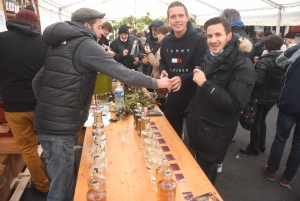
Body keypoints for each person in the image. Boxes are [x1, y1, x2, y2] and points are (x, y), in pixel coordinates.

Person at [32, 8, 171, 201]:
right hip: (59, 129)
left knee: (60, 180)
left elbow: (37, 82)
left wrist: (52, 108)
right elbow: (122, 72)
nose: (101, 32)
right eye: (99, 27)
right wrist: (157, 83)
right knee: (61, 190)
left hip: (48, 123)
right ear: (87, 26)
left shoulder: (60, 44)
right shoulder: (85, 44)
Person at [185, 17, 256, 185]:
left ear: (229, 36)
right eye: (209, 36)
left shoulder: (243, 66)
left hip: (214, 136)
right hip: (199, 129)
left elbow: (235, 105)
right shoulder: (210, 57)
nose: (213, 40)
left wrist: (205, 83)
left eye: (218, 35)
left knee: (205, 181)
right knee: (195, 174)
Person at [0, 8, 50, 196]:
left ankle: (43, 186)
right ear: (36, 23)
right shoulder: (44, 42)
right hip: (41, 105)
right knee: (50, 144)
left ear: (15, 20)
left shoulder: (1, 40)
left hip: (14, 106)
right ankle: (59, 181)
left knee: (29, 150)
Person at [159, 1, 208, 138]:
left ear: (187, 17)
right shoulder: (166, 41)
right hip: (173, 98)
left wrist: (182, 78)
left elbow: (201, 67)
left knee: (194, 139)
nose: (177, 20)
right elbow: (163, 61)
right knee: (171, 136)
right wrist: (163, 70)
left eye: (181, 15)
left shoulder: (199, 40)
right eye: (173, 17)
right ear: (168, 20)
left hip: (193, 98)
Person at [240, 35, 285, 156]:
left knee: (256, 123)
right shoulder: (282, 59)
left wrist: (253, 71)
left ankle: (254, 147)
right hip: (272, 96)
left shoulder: (264, 61)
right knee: (262, 120)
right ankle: (262, 144)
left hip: (259, 97)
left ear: (266, 46)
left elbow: (258, 81)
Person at [262, 43, 300, 188]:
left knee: (281, 138)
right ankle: (287, 177)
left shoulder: (296, 50)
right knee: (298, 144)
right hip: (290, 102)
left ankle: (271, 171)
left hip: (290, 101)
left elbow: (279, 62)